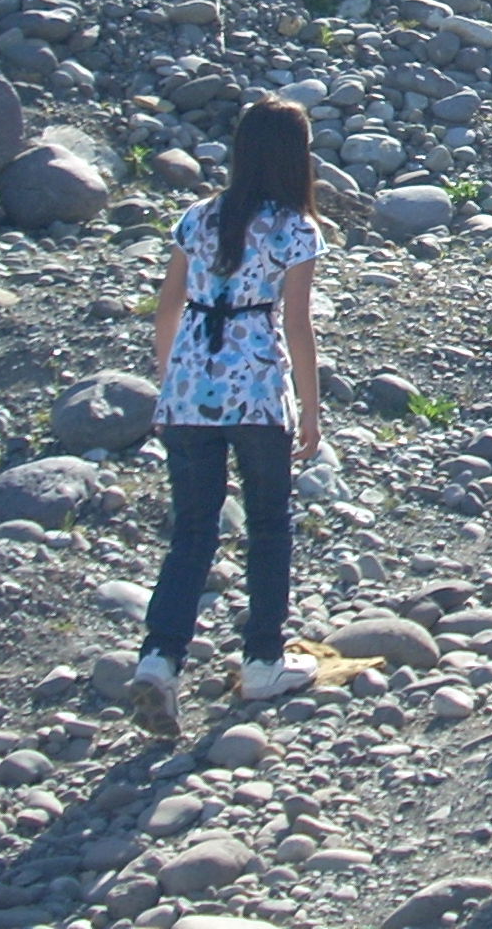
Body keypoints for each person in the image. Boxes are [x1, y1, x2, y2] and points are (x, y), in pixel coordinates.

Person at [133, 98, 323, 738]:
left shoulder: (198, 217)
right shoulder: (295, 228)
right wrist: (312, 410)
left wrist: (169, 380)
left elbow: (168, 305)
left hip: (190, 383)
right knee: (269, 523)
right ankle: (262, 658)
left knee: (191, 527)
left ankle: (160, 658)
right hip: (257, 388)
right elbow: (296, 325)